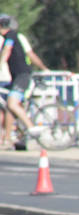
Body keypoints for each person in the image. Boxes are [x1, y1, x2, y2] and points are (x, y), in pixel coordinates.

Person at [0, 14, 47, 147]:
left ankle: (31, 127)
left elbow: (7, 50)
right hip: (15, 77)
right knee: (8, 106)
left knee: (12, 103)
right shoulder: (8, 37)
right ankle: (9, 137)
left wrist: (0, 63)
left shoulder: (11, 35)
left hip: (23, 76)